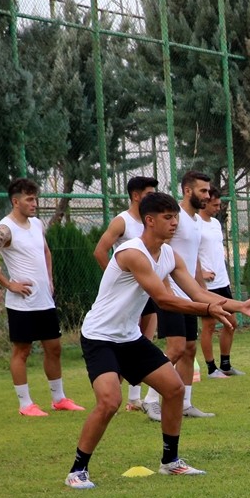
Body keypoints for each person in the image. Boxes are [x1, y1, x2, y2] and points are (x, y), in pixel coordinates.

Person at [65, 192, 250, 489]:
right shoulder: (132, 253)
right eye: (168, 217)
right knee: (110, 401)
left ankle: (170, 462)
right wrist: (207, 310)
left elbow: (198, 293)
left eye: (175, 216)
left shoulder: (169, 255)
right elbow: (164, 299)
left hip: (129, 337)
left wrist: (240, 306)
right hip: (100, 336)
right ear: (149, 221)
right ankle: (77, 470)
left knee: (174, 389)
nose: (175, 222)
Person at [0, 178, 85, 416]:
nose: (34, 203)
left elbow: (45, 251)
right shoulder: (5, 229)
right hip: (22, 303)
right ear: (16, 202)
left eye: (35, 198)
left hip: (44, 300)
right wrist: (9, 284)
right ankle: (25, 404)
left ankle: (59, 399)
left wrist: (49, 279)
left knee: (54, 348)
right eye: (29, 199)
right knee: (22, 351)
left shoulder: (36, 224)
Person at [141, 170, 214, 420]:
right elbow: (159, 251)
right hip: (170, 296)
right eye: (203, 191)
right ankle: (150, 400)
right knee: (175, 348)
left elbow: (192, 261)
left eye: (208, 191)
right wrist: (166, 288)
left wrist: (201, 291)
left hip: (188, 296)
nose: (207, 195)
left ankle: (185, 404)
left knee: (189, 349)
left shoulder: (195, 221)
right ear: (187, 190)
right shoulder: (176, 218)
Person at [93, 175, 159, 412]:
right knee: (122, 344)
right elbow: (100, 251)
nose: (153, 198)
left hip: (147, 290)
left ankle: (134, 398)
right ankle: (113, 394)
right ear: (136, 196)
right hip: (128, 294)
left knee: (144, 341)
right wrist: (118, 281)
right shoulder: (122, 221)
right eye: (149, 194)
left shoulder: (151, 222)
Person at [197, 187, 243, 378]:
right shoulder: (195, 223)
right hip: (207, 286)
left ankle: (225, 365)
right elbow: (190, 252)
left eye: (219, 204)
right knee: (209, 326)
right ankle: (211, 368)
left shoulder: (216, 223)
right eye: (215, 204)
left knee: (231, 323)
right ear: (205, 202)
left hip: (222, 282)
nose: (218, 208)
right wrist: (200, 273)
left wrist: (225, 278)